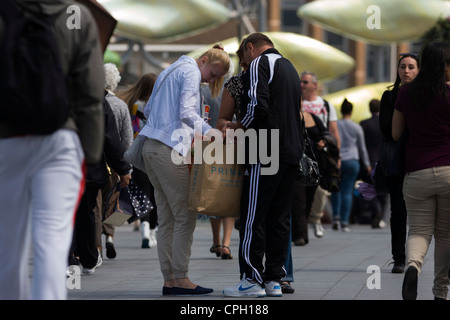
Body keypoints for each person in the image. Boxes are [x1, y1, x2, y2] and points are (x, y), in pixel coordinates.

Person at [0, 0, 105, 299]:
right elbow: (90, 94)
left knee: (8, 246)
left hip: (6, 140)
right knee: (52, 240)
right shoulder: (76, 15)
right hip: (61, 139)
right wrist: (91, 154)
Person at [140, 44, 230, 296]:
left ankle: (170, 280)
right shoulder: (190, 72)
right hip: (169, 148)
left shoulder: (168, 71)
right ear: (203, 60)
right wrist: (210, 131)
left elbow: (147, 110)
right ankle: (181, 278)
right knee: (185, 214)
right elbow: (187, 112)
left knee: (167, 217)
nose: (211, 80)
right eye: (213, 73)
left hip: (151, 148)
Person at [223, 33, 303, 297]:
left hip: (264, 148)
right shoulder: (290, 67)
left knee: (252, 216)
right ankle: (273, 279)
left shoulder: (259, 63)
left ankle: (251, 279)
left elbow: (257, 105)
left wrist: (237, 126)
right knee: (279, 219)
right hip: (290, 151)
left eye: (243, 57)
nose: (244, 64)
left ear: (250, 48)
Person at [392, 41, 450, 300]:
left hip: (416, 172)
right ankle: (440, 292)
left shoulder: (406, 93)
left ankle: (413, 266)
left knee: (418, 231)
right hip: (449, 171)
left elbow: (395, 133)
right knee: (446, 234)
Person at [69, 92, 132, 275]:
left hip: (61, 167)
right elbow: (111, 139)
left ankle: (70, 257)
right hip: (89, 167)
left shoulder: (55, 90)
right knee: (87, 212)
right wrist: (123, 169)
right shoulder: (98, 100)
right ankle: (88, 257)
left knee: (66, 214)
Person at [378, 52, 420, 274]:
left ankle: (415, 256)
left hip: (419, 160)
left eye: (411, 67)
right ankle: (399, 258)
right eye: (403, 67)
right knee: (398, 211)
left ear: (419, 70)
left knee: (420, 213)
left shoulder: (425, 96)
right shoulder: (390, 97)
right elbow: (386, 129)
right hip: (395, 161)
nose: (406, 71)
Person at [94, 63, 134, 259]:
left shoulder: (93, 101)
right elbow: (127, 139)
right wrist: (127, 168)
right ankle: (110, 236)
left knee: (96, 205)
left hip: (96, 160)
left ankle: (96, 247)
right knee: (113, 202)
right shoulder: (120, 105)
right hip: (116, 163)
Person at [119, 72, 159, 249]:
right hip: (155, 152)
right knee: (156, 193)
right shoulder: (157, 105)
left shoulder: (132, 105)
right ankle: (152, 232)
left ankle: (143, 229)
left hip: (136, 155)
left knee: (143, 194)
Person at [300, 71, 341, 238]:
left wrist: (336, 156)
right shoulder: (298, 103)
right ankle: (303, 222)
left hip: (321, 153)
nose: (301, 85)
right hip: (302, 151)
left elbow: (333, 131)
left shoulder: (325, 105)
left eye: (305, 82)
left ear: (315, 85)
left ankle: (316, 219)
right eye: (301, 82)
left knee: (322, 188)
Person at [331, 99, 371, 232]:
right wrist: (366, 164)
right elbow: (362, 148)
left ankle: (335, 217)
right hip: (352, 161)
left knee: (335, 189)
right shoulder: (356, 127)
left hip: (337, 160)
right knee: (347, 191)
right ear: (351, 111)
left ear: (341, 111)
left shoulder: (336, 125)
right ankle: (344, 221)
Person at [360, 99, 387, 228]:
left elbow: (361, 145)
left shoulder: (363, 124)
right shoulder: (385, 123)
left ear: (369, 109)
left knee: (371, 189)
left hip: (369, 161)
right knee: (384, 189)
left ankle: (375, 213)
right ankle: (380, 215)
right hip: (383, 160)